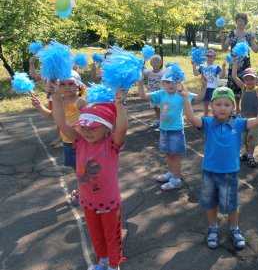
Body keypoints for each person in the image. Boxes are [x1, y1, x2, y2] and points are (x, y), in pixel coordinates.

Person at [182, 86, 258, 250]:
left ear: (233, 107)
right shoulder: (208, 122)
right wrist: (185, 98)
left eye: (227, 104)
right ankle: (213, 228)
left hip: (229, 173)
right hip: (209, 172)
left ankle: (234, 229)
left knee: (231, 204)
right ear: (212, 106)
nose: (222, 108)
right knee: (211, 203)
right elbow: (191, 118)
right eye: (218, 104)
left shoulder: (238, 123)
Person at [51, 85, 128, 270]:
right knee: (95, 233)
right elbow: (62, 124)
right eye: (84, 127)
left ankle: (113, 263)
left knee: (111, 233)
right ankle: (102, 260)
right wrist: (55, 96)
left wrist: (119, 104)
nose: (87, 131)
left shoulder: (111, 144)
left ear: (107, 129)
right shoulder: (79, 142)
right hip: (87, 200)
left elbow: (122, 129)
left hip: (108, 202)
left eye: (94, 128)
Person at [137, 65, 206, 190]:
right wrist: (140, 82)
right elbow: (143, 96)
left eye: (174, 82)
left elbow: (199, 98)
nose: (171, 85)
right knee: (168, 154)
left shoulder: (182, 94)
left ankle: (176, 179)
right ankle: (171, 173)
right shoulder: (161, 93)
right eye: (167, 82)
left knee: (175, 156)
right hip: (164, 130)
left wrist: (204, 85)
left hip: (176, 131)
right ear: (162, 83)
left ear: (179, 82)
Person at [31, 71, 87, 204]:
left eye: (71, 83)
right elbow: (52, 116)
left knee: (86, 169)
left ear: (78, 85)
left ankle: (86, 192)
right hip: (67, 142)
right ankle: (82, 189)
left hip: (83, 141)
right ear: (58, 87)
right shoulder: (59, 101)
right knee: (76, 169)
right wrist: (40, 107)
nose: (67, 86)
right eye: (62, 84)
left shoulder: (82, 100)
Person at [222, 13, 258, 112]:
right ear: (236, 21)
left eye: (242, 21)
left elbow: (255, 49)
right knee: (233, 84)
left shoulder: (248, 35)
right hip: (234, 63)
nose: (240, 23)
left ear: (245, 23)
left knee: (246, 85)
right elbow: (224, 49)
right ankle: (236, 107)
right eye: (238, 20)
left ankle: (245, 107)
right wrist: (222, 39)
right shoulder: (231, 34)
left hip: (245, 64)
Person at [231, 60, 258, 167]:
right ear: (244, 80)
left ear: (256, 80)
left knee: (251, 138)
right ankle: (246, 153)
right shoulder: (243, 88)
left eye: (252, 79)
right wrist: (235, 62)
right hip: (243, 119)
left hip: (254, 120)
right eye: (247, 79)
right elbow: (234, 76)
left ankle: (250, 155)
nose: (249, 81)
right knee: (244, 138)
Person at [192, 49, 226, 116]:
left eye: (211, 56)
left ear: (214, 57)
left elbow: (222, 76)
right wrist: (194, 65)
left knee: (213, 104)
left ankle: (215, 117)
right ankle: (205, 118)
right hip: (204, 88)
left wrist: (223, 68)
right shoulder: (202, 66)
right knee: (205, 105)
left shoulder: (216, 67)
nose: (209, 58)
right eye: (208, 56)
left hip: (213, 88)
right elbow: (196, 73)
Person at [143, 54, 164, 128]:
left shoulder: (162, 73)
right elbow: (142, 70)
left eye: (157, 62)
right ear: (151, 63)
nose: (155, 63)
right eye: (153, 62)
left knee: (160, 107)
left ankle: (163, 121)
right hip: (151, 93)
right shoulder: (148, 72)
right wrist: (142, 62)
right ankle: (158, 120)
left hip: (160, 94)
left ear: (161, 63)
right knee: (155, 107)